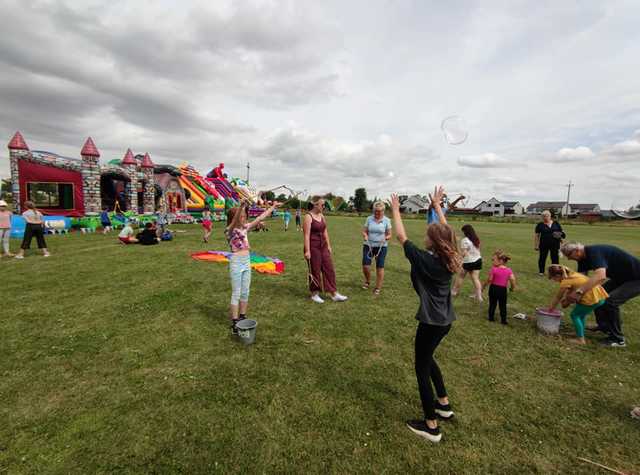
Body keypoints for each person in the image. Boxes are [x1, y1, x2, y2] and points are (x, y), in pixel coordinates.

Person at [390, 187, 461, 443]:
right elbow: (448, 232)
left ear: (433, 241)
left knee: (421, 366)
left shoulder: (425, 259)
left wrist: (396, 210)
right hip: (444, 321)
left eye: (428, 234)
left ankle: (431, 426)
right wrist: (437, 206)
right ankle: (443, 403)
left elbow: (400, 236)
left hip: (431, 322)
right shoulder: (450, 255)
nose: (425, 236)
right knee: (428, 357)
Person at [561, 241, 640, 348]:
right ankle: (604, 326)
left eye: (569, 255)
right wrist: (569, 294)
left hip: (636, 279)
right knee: (597, 295)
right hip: (621, 278)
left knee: (610, 301)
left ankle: (618, 339)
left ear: (577, 251)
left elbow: (600, 276)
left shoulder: (594, 252)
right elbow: (581, 279)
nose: (569, 259)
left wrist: (580, 292)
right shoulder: (582, 259)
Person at [225, 201, 279, 333]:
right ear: (234, 218)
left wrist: (273, 207)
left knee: (245, 291)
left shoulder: (245, 228)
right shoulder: (229, 230)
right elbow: (235, 220)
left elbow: (260, 218)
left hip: (246, 260)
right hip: (236, 262)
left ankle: (242, 316)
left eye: (245, 216)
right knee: (236, 292)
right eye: (242, 217)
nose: (244, 218)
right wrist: (241, 207)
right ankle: (234, 322)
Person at [545, 264, 608, 345]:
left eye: (553, 278)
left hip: (591, 299)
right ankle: (580, 334)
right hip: (600, 296)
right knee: (581, 315)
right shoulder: (573, 274)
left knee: (574, 315)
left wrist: (551, 309)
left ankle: (580, 340)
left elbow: (558, 297)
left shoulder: (566, 281)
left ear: (557, 275)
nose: (554, 280)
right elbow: (573, 289)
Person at [303, 197, 348, 303]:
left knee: (329, 269)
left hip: (323, 246)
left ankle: (334, 293)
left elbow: (325, 231)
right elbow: (306, 235)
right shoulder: (308, 217)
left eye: (324, 205)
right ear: (315, 205)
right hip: (313, 247)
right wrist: (307, 250)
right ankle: (314, 294)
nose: (324, 207)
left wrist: (328, 245)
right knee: (315, 270)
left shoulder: (322, 216)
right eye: (322, 205)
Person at [362, 201, 392, 295]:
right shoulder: (369, 219)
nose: (377, 213)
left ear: (383, 211)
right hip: (368, 245)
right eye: (375, 211)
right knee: (366, 266)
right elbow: (364, 231)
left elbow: (389, 234)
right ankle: (367, 281)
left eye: (379, 211)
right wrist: (365, 235)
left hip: (381, 247)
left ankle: (378, 287)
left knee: (380, 266)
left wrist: (386, 238)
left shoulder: (387, 220)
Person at [482, 250, 516, 324]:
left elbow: (489, 279)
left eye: (493, 260)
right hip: (502, 290)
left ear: (500, 261)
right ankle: (503, 320)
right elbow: (513, 279)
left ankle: (491, 318)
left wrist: (483, 286)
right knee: (503, 305)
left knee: (492, 304)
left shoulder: (494, 269)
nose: (492, 262)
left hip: (493, 289)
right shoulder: (509, 270)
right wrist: (512, 287)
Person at [452, 224, 482, 301]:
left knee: (460, 276)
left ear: (465, 232)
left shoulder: (465, 240)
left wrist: (459, 259)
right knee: (476, 278)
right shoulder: (476, 239)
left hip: (469, 261)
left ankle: (454, 292)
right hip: (478, 260)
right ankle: (479, 296)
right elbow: (478, 250)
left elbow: (464, 253)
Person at [534, 210, 565, 275]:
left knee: (555, 258)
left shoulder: (556, 223)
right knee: (542, 258)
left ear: (550, 216)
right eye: (544, 216)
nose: (545, 217)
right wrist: (536, 245)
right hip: (543, 244)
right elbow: (537, 235)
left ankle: (555, 272)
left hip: (555, 244)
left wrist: (562, 243)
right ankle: (541, 271)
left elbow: (560, 234)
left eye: (547, 216)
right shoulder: (540, 225)